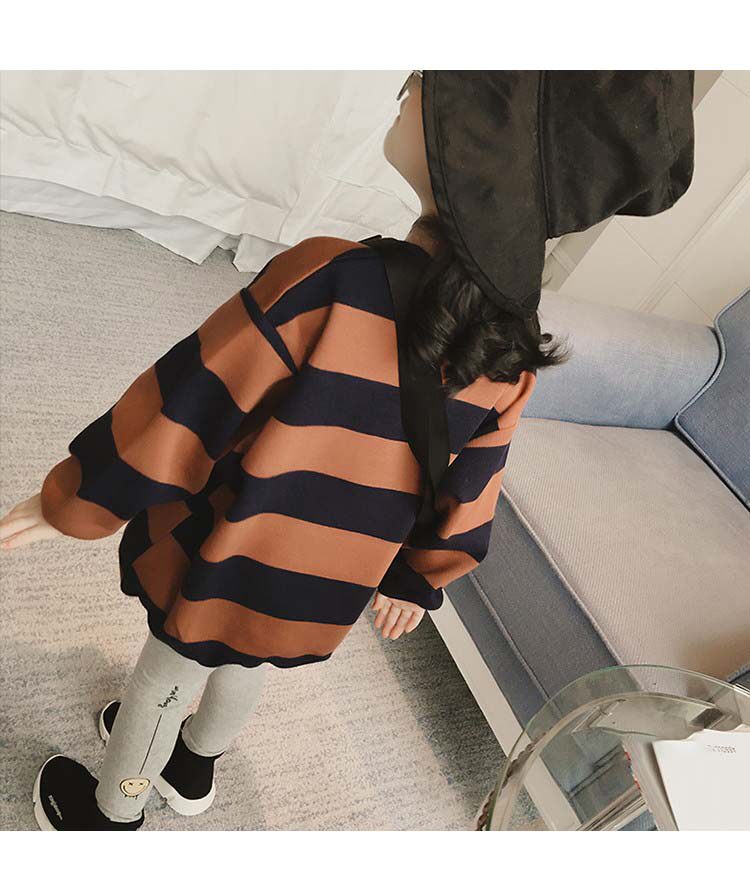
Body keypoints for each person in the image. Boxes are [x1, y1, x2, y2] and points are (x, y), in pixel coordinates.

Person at [0, 69, 694, 832]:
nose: (409, 85)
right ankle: (192, 766)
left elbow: (192, 404)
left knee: (169, 668)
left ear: (479, 152)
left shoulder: (330, 277)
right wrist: (418, 579)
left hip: (231, 543)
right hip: (329, 575)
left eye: (436, 87)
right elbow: (472, 488)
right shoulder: (511, 351)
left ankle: (111, 814)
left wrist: (76, 499)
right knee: (247, 654)